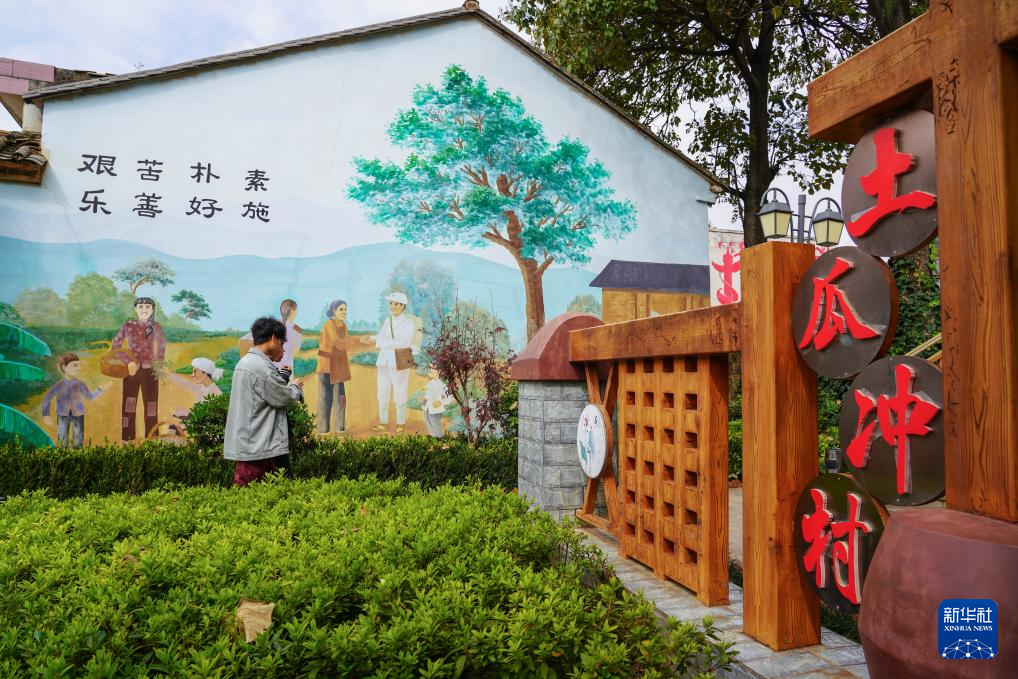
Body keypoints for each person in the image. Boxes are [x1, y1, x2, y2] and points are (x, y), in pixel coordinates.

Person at [224, 317, 303, 487]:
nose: (282, 349)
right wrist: (295, 388)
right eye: (281, 344)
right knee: (248, 491)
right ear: (273, 338)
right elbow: (283, 397)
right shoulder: (261, 367)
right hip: (258, 444)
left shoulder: (247, 362)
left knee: (266, 490)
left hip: (255, 441)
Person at [112, 297, 166, 441]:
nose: (144, 309)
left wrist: (159, 364)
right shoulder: (128, 325)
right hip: (131, 372)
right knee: (129, 406)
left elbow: (161, 346)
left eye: (148, 307)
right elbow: (115, 347)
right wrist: (128, 361)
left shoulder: (156, 326)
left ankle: (152, 439)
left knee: (151, 407)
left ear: (152, 310)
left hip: (151, 371)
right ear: (135, 309)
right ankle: (127, 440)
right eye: (141, 306)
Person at [315, 299, 370, 435]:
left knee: (340, 398)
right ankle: (323, 430)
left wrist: (360, 341)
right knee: (325, 399)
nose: (344, 312)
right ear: (334, 311)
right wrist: (359, 340)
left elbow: (346, 342)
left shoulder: (343, 325)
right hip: (327, 366)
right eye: (341, 309)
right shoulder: (329, 324)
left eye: (345, 309)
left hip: (338, 367)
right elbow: (338, 343)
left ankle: (339, 428)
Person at [42, 353, 112, 447]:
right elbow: (47, 398)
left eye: (78, 366)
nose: (78, 368)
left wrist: (100, 389)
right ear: (64, 367)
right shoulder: (58, 385)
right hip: (62, 414)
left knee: (78, 441)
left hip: (78, 414)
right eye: (75, 365)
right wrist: (46, 415)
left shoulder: (80, 384)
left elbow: (90, 396)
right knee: (62, 440)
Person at [372, 291, 417, 434]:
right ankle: (383, 423)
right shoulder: (388, 321)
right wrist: (374, 339)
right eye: (391, 303)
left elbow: (401, 343)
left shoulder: (409, 323)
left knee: (400, 391)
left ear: (403, 306)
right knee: (382, 391)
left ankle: (400, 423)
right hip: (384, 361)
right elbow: (381, 337)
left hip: (399, 361)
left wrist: (381, 343)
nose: (393, 306)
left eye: (396, 304)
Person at [159, 357, 223, 418]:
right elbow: (185, 383)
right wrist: (168, 374)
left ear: (205, 374)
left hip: (201, 423)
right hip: (196, 420)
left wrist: (187, 414)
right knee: (178, 412)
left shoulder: (216, 393)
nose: (192, 375)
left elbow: (208, 418)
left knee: (175, 416)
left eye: (195, 371)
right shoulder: (201, 387)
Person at [419, 366, 454, 437]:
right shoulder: (429, 384)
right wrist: (423, 401)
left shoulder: (442, 385)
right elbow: (428, 397)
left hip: (435, 411)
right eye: (429, 367)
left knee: (436, 427)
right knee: (430, 427)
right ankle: (433, 441)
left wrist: (440, 402)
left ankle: (439, 440)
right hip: (426, 410)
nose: (429, 369)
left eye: (432, 368)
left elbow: (450, 398)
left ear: (439, 371)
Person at [274, 299, 302, 372]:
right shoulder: (296, 329)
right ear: (292, 311)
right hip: (287, 367)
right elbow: (296, 350)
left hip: (272, 366)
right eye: (296, 310)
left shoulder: (273, 325)